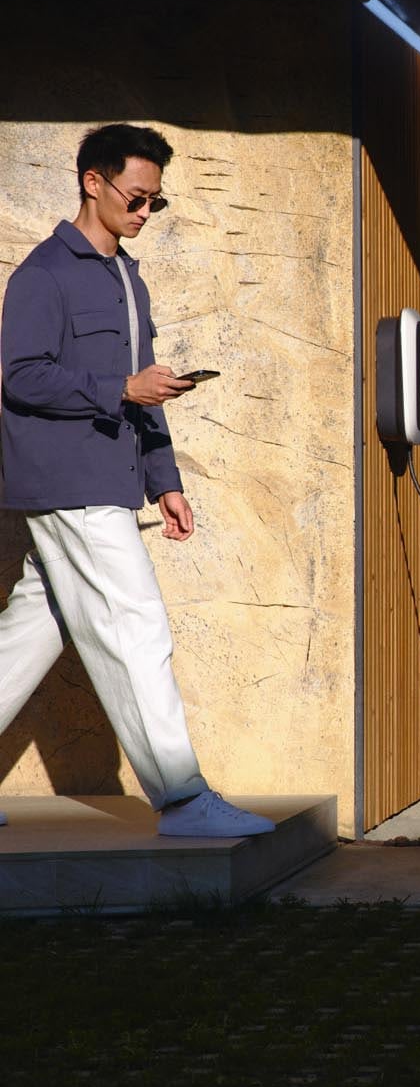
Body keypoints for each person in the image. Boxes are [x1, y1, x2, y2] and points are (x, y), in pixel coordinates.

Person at [0, 124, 273, 836]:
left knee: (32, 633)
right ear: (93, 181)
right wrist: (118, 386)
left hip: (110, 478)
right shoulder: (42, 276)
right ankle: (183, 800)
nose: (146, 211)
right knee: (138, 628)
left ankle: (184, 801)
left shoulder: (127, 277)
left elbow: (142, 391)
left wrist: (165, 479)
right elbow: (21, 377)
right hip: (69, 481)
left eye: (157, 201)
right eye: (138, 196)